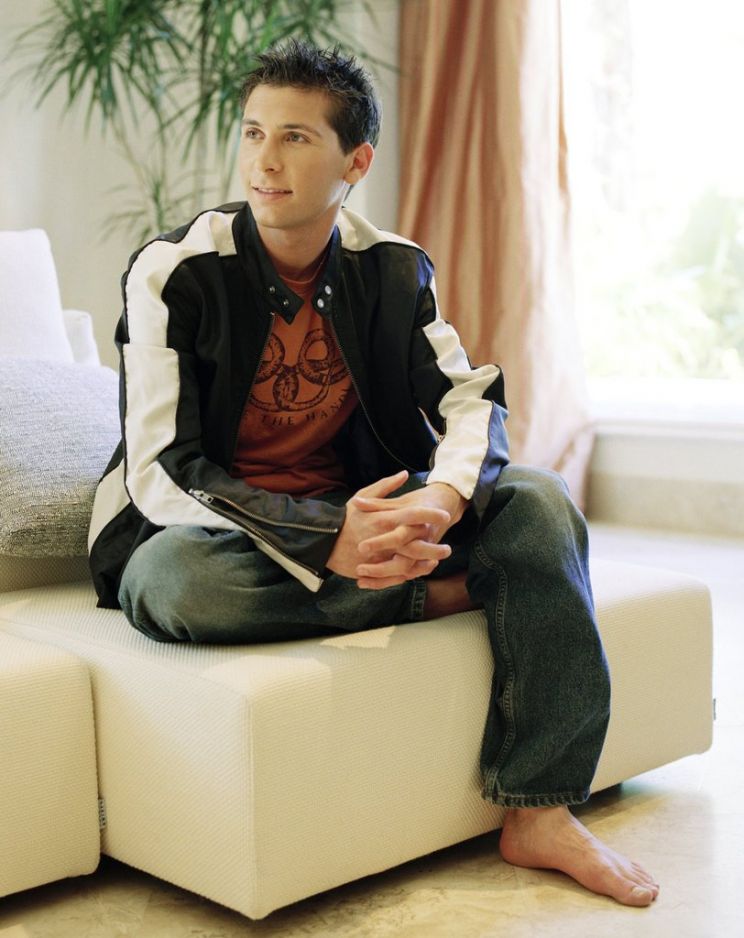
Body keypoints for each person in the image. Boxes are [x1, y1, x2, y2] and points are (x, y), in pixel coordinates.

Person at [88, 40, 659, 908]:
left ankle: (541, 807)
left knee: (540, 501)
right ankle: (442, 591)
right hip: (207, 527)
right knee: (175, 584)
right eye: (253, 133)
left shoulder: (392, 267)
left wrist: (440, 497)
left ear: (355, 161)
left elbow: (471, 398)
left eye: (295, 138)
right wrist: (331, 538)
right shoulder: (174, 271)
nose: (264, 162)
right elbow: (162, 471)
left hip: (357, 507)